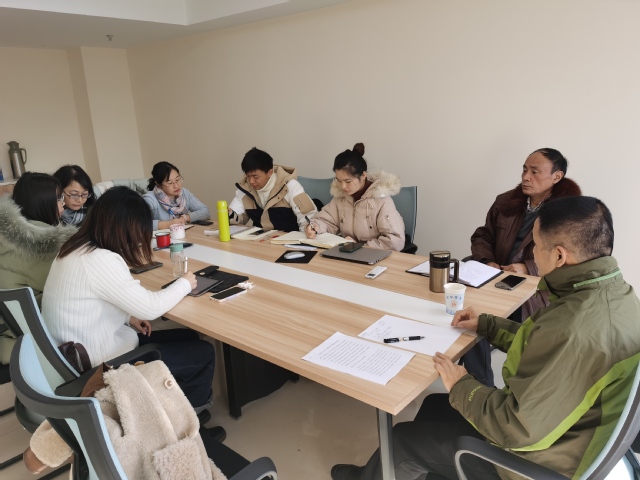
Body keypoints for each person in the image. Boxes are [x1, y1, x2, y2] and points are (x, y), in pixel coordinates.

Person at [330, 196, 640, 480]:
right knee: (436, 406)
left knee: (402, 440)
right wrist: (488, 326)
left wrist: (462, 384)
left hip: (534, 463)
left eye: (535, 246)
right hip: (572, 435)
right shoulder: (617, 295)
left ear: (559, 256)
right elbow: (548, 345)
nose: (532, 253)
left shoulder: (573, 327)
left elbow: (518, 429)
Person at [42, 187, 217, 415]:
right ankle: (191, 422)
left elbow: (92, 302)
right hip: (101, 367)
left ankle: (168, 404)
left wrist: (128, 317)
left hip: (77, 354)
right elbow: (151, 307)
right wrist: (185, 283)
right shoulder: (101, 259)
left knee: (188, 336)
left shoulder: (74, 248)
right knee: (203, 352)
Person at [463, 148, 581, 387]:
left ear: (556, 176)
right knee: (465, 313)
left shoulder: (568, 213)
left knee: (480, 317)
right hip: (496, 276)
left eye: (535, 172)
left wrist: (528, 268)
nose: (526, 177)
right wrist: (488, 262)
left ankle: (485, 389)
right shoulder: (506, 201)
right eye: (525, 169)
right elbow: (483, 235)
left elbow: (568, 256)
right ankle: (481, 385)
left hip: (535, 289)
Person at [305, 143, 405, 251]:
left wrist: (360, 247)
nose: (343, 186)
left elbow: (395, 241)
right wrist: (315, 227)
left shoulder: (381, 200)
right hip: (348, 253)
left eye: (348, 181)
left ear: (363, 175)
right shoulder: (341, 197)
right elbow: (328, 221)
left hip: (374, 255)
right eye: (338, 180)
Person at [0, 172, 76, 305]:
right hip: (39, 313)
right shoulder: (42, 247)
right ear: (42, 202)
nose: (63, 204)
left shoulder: (7, 236)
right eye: (58, 199)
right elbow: (73, 285)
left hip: (18, 313)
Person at [228, 147, 317, 232]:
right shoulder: (245, 189)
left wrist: (307, 233)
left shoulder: (290, 186)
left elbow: (308, 218)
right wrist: (228, 214)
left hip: (288, 238)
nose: (251, 181)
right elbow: (237, 219)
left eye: (255, 177)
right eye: (248, 176)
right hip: (259, 239)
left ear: (270, 172)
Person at [143, 161, 210, 230]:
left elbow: (205, 211)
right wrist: (167, 224)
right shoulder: (150, 200)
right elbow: (139, 223)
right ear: (158, 184)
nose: (176, 186)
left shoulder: (184, 193)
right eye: (170, 183)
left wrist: (185, 218)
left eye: (177, 180)